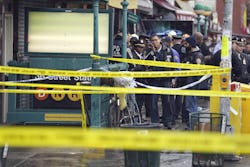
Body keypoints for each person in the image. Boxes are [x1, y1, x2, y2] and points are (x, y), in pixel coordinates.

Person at [148, 34, 175, 129]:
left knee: (166, 101)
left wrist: (173, 78)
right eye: (152, 40)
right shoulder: (150, 52)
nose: (154, 42)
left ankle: (167, 121)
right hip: (154, 80)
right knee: (153, 102)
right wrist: (152, 53)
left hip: (165, 79)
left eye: (155, 40)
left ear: (160, 40)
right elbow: (145, 63)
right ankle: (155, 122)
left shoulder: (167, 51)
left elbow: (171, 65)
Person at [127, 39, 152, 119]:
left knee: (142, 100)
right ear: (135, 47)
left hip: (143, 81)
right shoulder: (132, 55)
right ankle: (136, 117)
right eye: (139, 47)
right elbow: (134, 67)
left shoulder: (143, 55)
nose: (141, 49)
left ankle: (140, 116)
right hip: (136, 81)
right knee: (137, 101)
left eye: (142, 47)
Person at [182, 36, 203, 129]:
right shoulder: (189, 54)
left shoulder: (197, 55)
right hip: (188, 83)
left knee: (192, 106)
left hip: (193, 84)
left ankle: (192, 126)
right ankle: (191, 125)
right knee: (189, 106)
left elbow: (198, 70)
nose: (184, 46)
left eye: (186, 44)